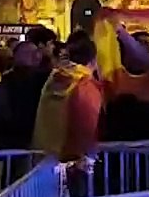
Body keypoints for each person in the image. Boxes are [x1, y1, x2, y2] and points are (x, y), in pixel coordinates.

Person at [33, 33, 104, 163]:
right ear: (94, 59)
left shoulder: (54, 79)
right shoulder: (85, 84)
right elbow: (86, 126)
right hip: (73, 162)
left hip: (45, 158)